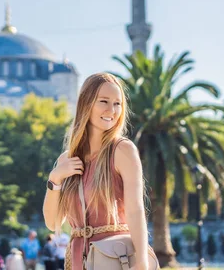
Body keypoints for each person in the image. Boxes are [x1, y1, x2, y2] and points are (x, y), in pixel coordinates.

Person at [42, 72, 150, 270]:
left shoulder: (122, 150)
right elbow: (53, 222)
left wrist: (142, 261)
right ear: (86, 104)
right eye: (104, 101)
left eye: (118, 103)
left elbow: (135, 210)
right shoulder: (66, 160)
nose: (112, 110)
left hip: (115, 258)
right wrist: (55, 178)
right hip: (78, 259)